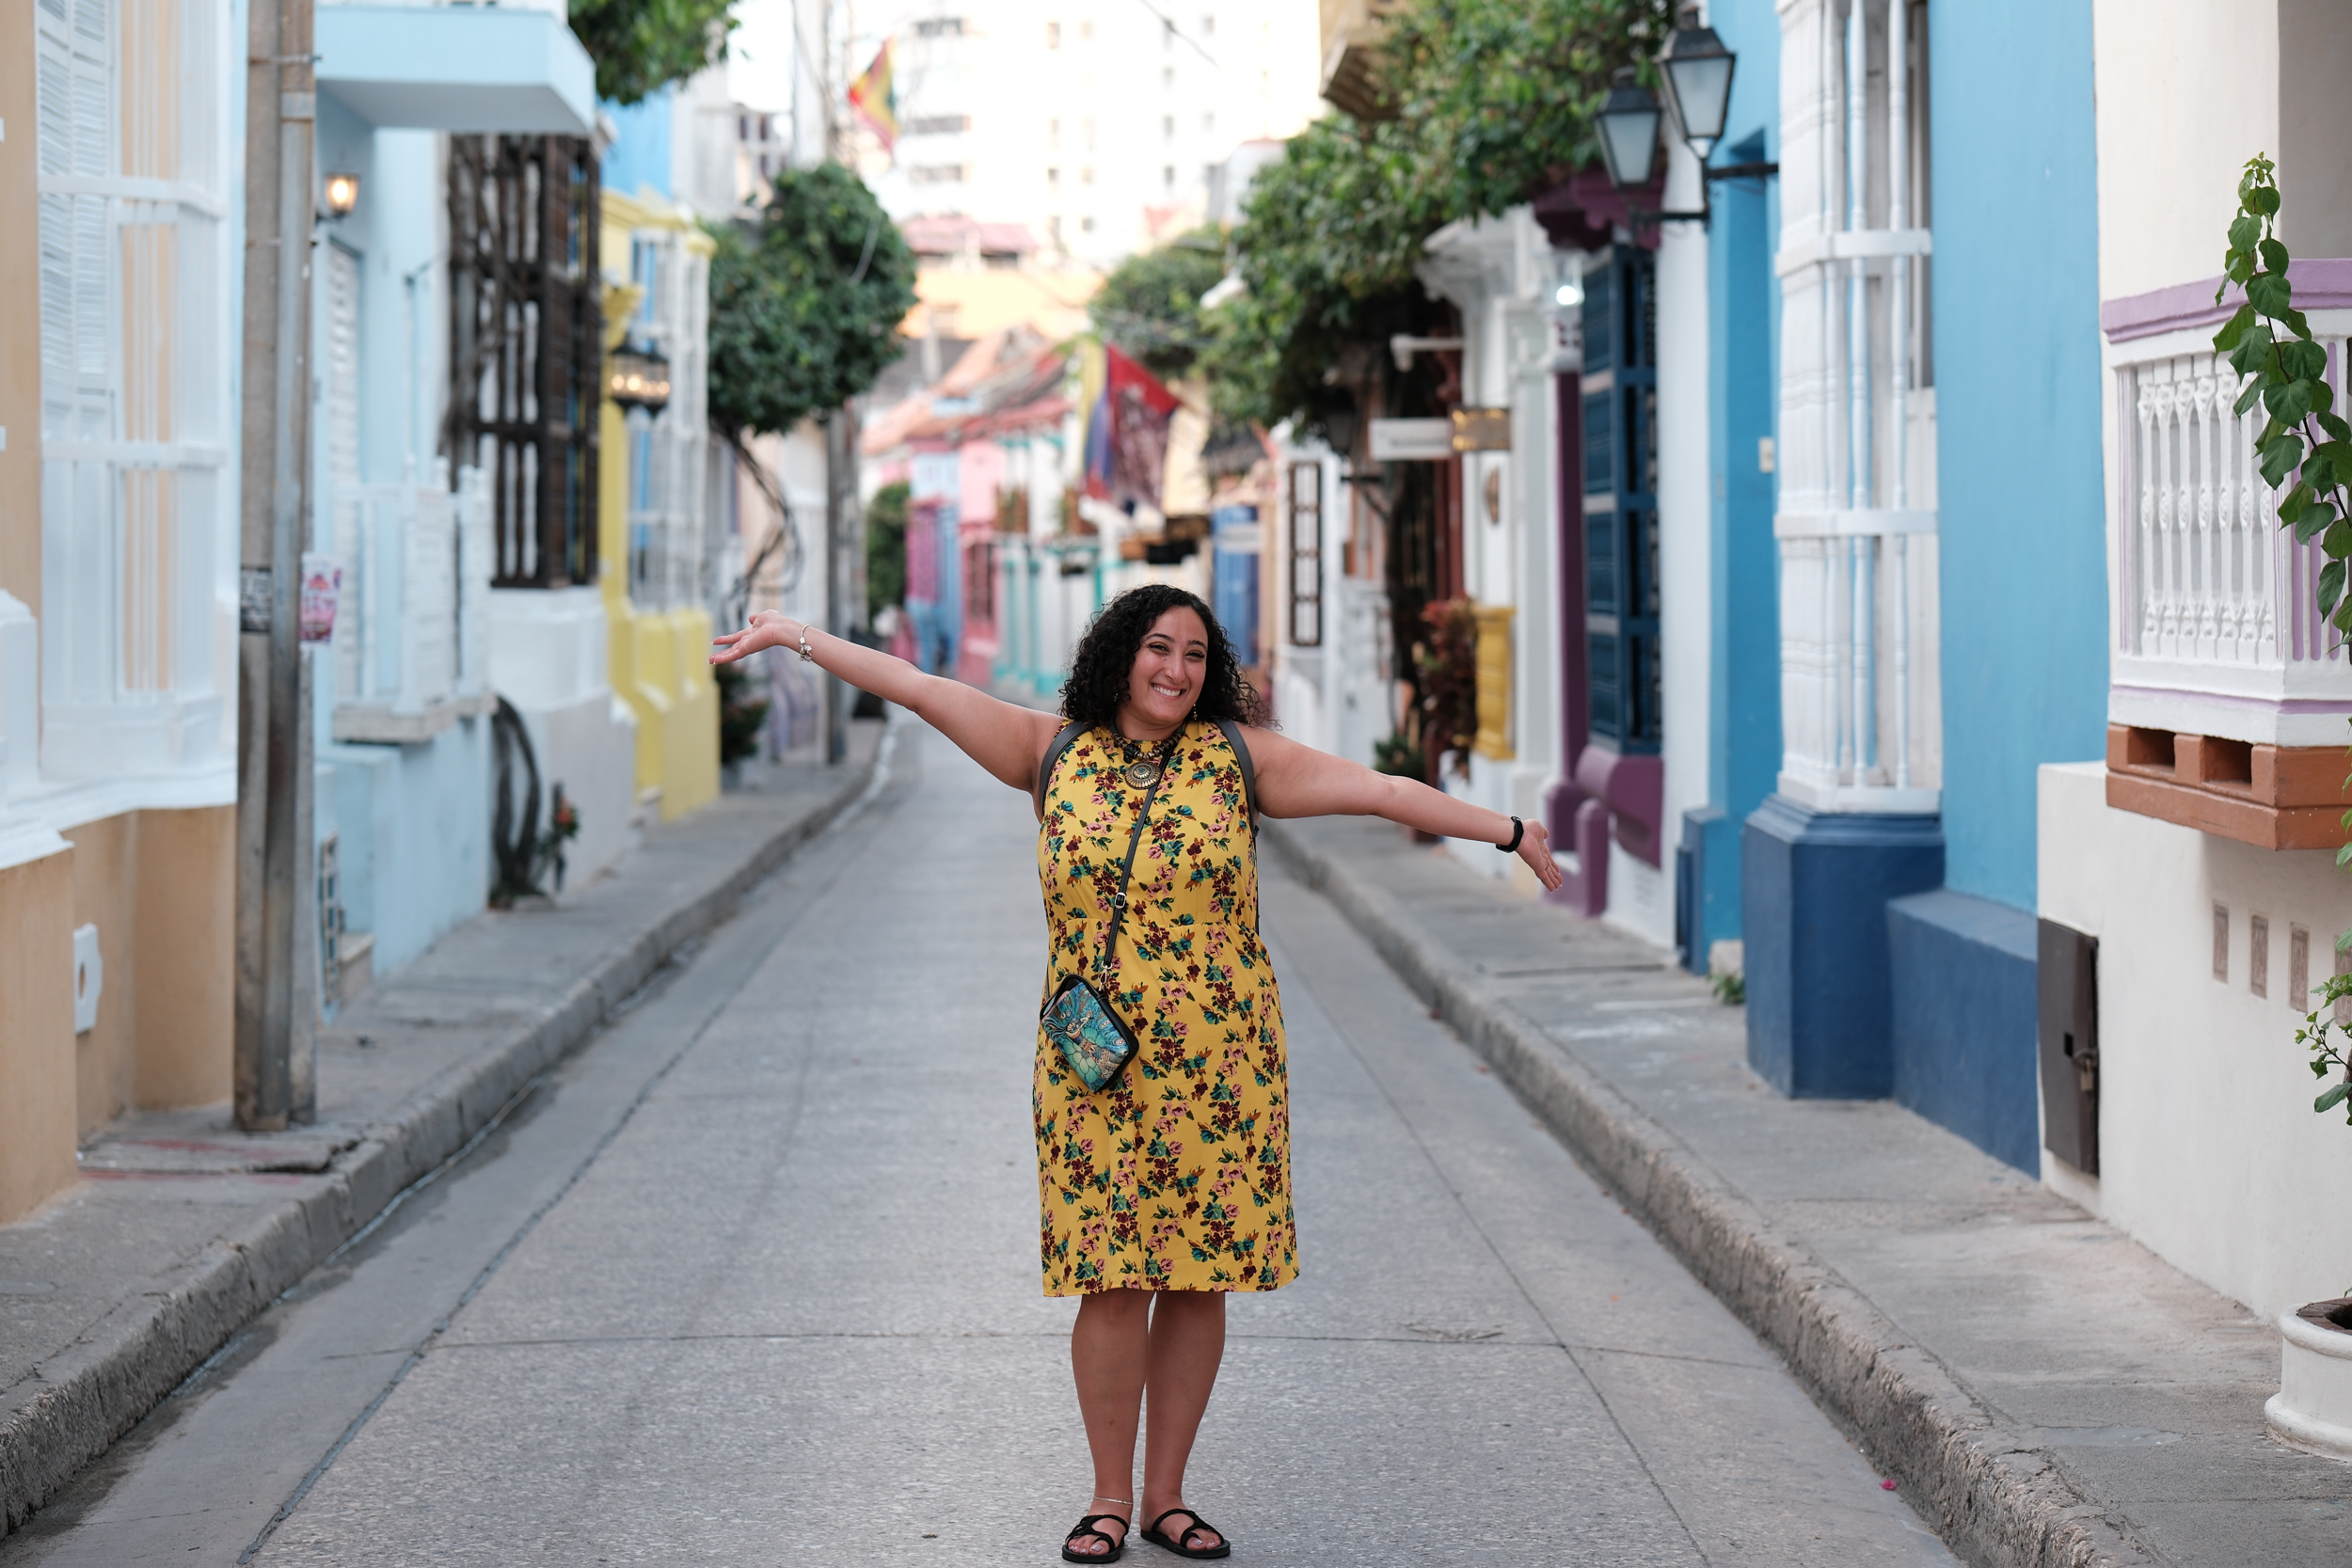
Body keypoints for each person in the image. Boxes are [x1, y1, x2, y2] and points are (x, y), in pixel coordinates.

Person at [712, 584, 1561, 1562]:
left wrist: (1505, 829)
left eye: (1196, 654)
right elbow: (914, 684)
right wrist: (795, 635)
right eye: (1159, 647)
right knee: (1110, 1279)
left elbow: (1382, 790)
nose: (1176, 669)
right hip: (1093, 1067)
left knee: (1197, 1279)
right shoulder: (1048, 749)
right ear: (1121, 653)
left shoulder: (1238, 758)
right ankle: (1107, 1496)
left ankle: (1167, 1496)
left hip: (1223, 1062)